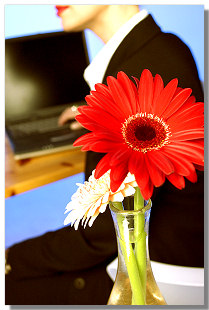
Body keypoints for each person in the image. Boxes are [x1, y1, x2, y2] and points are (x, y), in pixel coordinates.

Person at [5, 5, 204, 305]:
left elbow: (102, 234)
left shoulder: (141, 69)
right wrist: (92, 114)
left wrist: (11, 256)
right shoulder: (163, 45)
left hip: (153, 272)